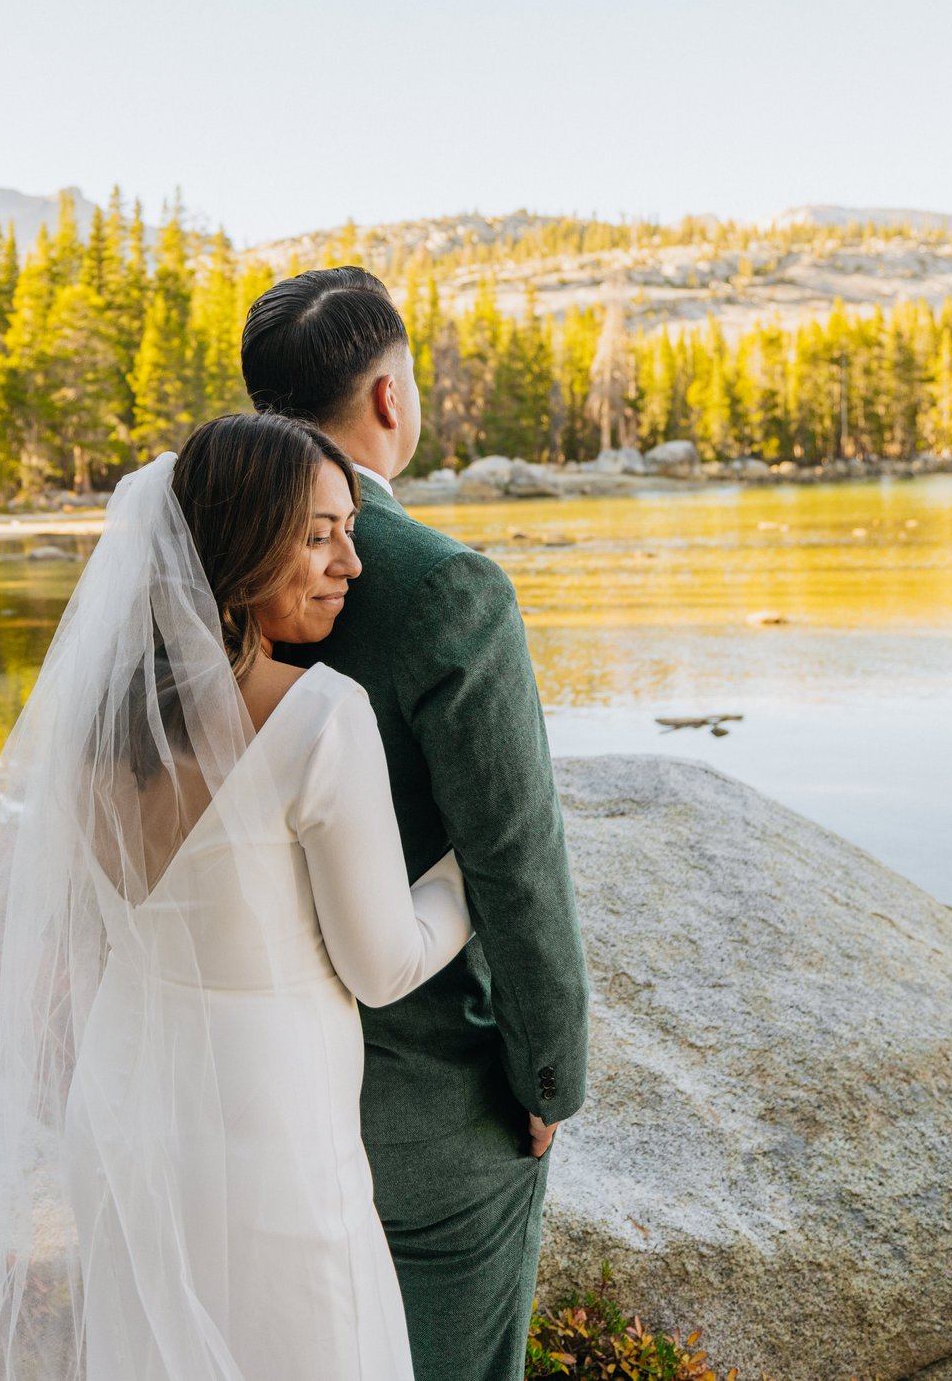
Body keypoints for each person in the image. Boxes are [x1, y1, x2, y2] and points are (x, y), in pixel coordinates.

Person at [0, 413, 475, 1380]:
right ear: (241, 546)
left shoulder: (92, 721)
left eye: (349, 528)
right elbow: (383, 966)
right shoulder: (321, 718)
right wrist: (468, 875)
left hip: (129, 1100)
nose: (353, 562)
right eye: (319, 533)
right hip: (274, 1116)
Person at [246, 265, 591, 1381]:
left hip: (234, 1084)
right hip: (423, 1105)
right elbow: (513, 858)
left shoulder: (185, 563)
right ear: (389, 398)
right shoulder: (446, 587)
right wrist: (549, 1080)